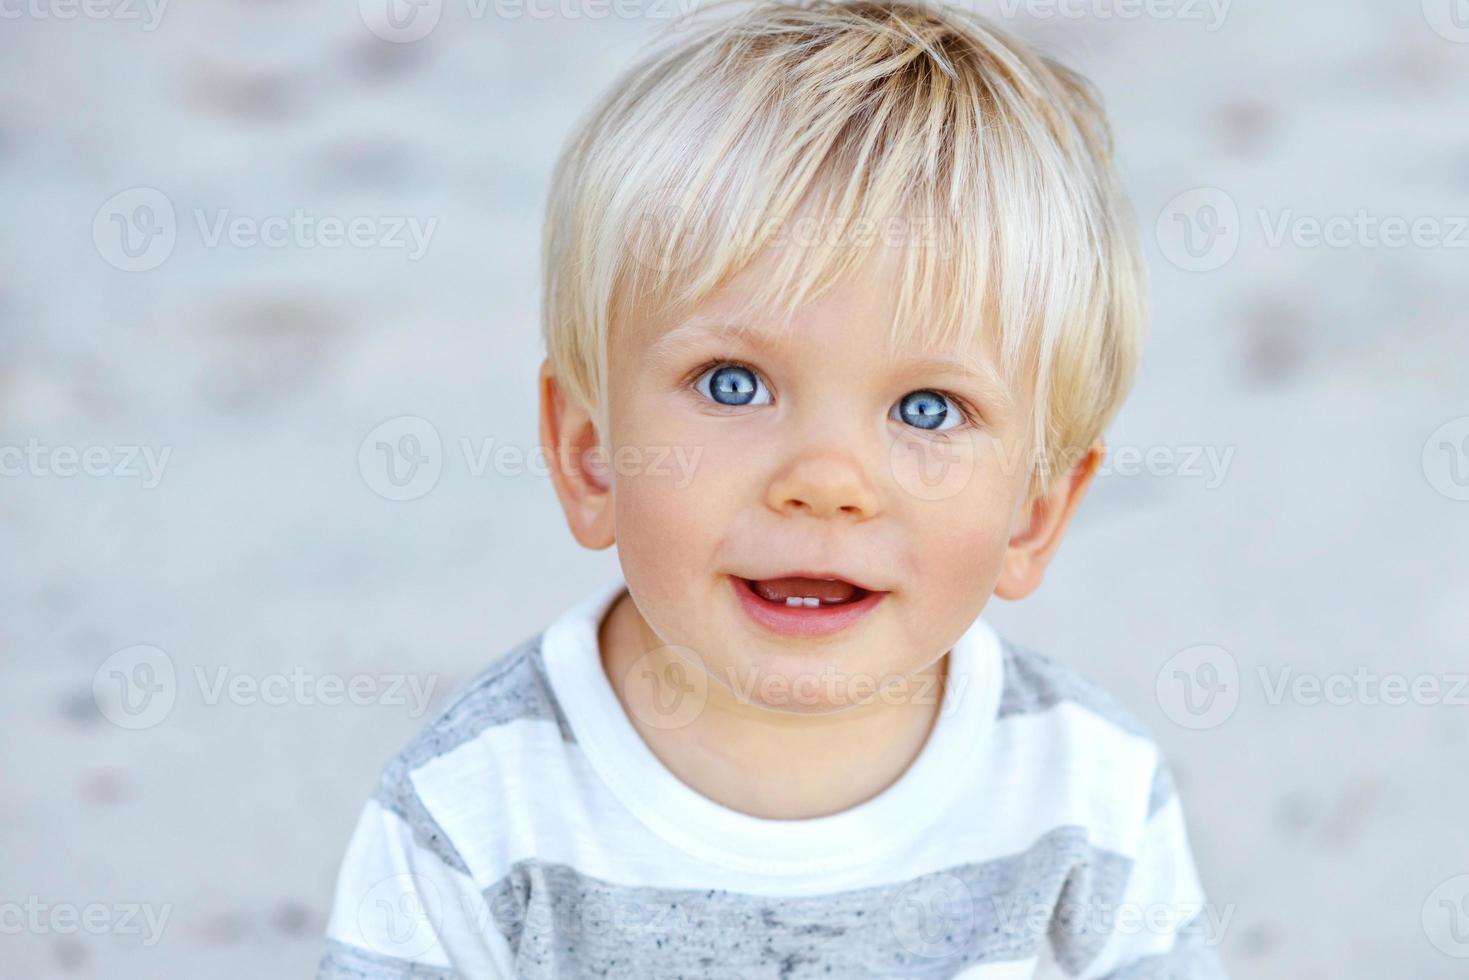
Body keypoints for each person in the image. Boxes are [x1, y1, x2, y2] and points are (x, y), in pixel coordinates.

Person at [318, 1, 1227, 975]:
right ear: (589, 452)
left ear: (1034, 512)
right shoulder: (473, 813)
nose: (824, 482)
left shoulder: (1086, 799)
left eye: (925, 408)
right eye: (732, 384)